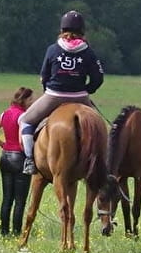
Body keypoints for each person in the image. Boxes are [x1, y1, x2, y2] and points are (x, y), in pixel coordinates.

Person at [19, 10, 105, 175]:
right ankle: (103, 164)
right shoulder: (88, 51)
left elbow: (44, 76)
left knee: (25, 120)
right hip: (80, 97)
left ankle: (29, 160)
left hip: (54, 95)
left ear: (62, 29)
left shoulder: (52, 49)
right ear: (82, 30)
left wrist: (47, 91)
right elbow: (98, 77)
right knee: (99, 128)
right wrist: (87, 90)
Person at [0, 86, 34, 236]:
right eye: (31, 99)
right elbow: (21, 141)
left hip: (5, 157)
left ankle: (4, 231)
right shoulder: (23, 116)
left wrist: (3, 144)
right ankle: (17, 232)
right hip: (19, 158)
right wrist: (30, 155)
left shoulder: (5, 114)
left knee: (7, 198)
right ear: (23, 100)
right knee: (20, 200)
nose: (33, 102)